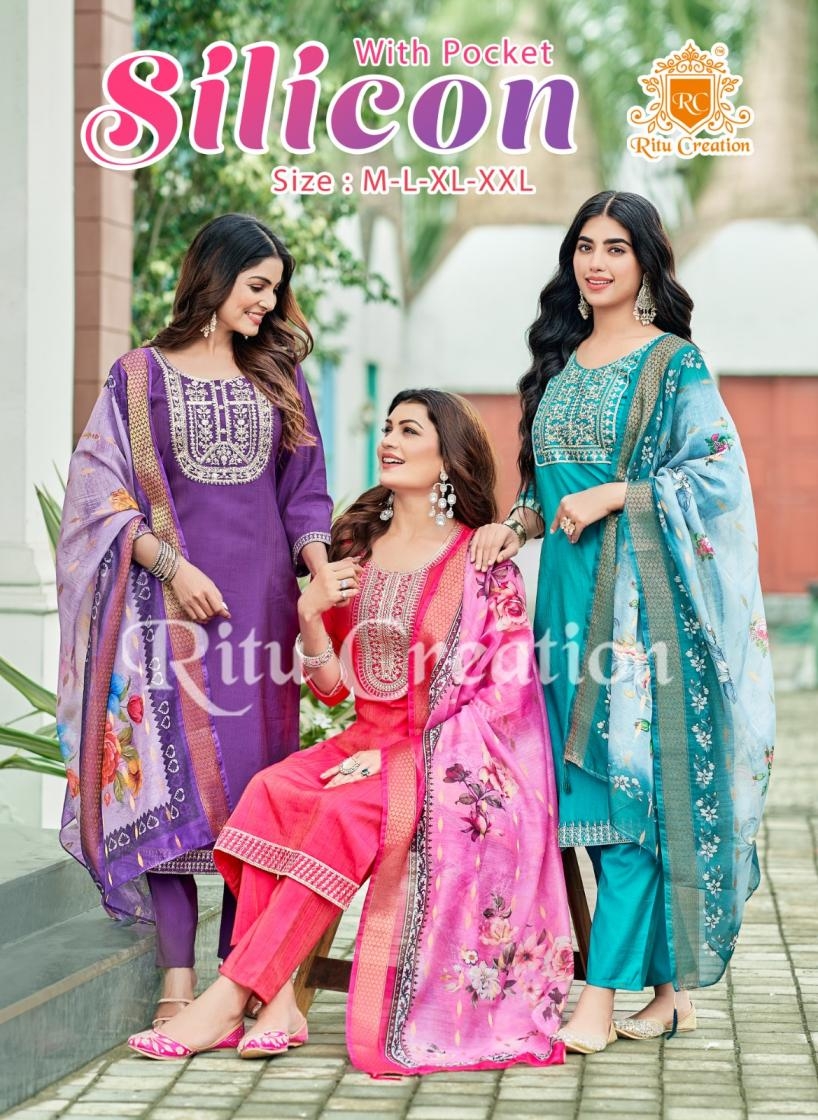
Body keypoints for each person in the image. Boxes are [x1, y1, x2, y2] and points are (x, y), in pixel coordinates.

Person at [126, 389, 574, 1074]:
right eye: (388, 427)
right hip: (361, 740)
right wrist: (310, 615)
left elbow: (505, 699)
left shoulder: (482, 564)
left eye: (409, 430)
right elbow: (334, 687)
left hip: (446, 756)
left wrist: (404, 758)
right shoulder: (354, 549)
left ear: (448, 459)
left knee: (340, 812)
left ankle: (228, 999)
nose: (389, 440)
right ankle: (279, 1004)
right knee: (271, 792)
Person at [471, 191, 775, 1052]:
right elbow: (547, 487)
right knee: (589, 802)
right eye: (585, 246)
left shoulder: (674, 364)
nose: (596, 262)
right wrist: (516, 523)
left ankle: (599, 999)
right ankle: (668, 993)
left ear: (645, 262)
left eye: (615, 247)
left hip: (644, 606)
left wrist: (618, 494)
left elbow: (716, 477)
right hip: (566, 600)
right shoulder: (561, 364)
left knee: (632, 789)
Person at [56, 213, 333, 1029]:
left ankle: (237, 977)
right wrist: (171, 567)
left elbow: (305, 493)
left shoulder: (279, 375)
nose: (268, 304)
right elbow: (96, 495)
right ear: (214, 278)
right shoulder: (137, 379)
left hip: (260, 616)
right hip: (164, 616)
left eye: (275, 291)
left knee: (254, 795)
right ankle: (177, 979)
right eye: (257, 287)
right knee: (167, 789)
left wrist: (319, 572)